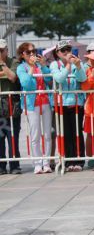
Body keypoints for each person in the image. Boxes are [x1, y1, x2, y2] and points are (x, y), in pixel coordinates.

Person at [49, 40, 87, 172]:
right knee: (66, 134)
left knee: (77, 133)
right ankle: (69, 160)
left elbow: (82, 79)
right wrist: (68, 66)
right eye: (63, 50)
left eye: (68, 49)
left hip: (77, 104)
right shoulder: (55, 64)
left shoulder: (77, 62)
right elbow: (59, 78)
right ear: (57, 53)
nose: (66, 53)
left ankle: (79, 161)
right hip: (61, 105)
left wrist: (78, 66)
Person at [16, 42, 53, 174]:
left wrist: (43, 66)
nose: (32, 54)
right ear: (22, 55)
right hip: (32, 104)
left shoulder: (39, 65)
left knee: (48, 134)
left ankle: (47, 162)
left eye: (34, 51)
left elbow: (50, 80)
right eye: (28, 52)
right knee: (35, 135)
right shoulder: (21, 67)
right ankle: (37, 163)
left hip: (45, 101)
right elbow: (26, 84)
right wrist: (31, 67)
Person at [0, 39, 21, 174]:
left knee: (12, 135)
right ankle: (1, 166)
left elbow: (13, 77)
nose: (0, 53)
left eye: (2, 50)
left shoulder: (14, 62)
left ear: (7, 50)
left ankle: (14, 165)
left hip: (11, 104)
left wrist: (2, 65)